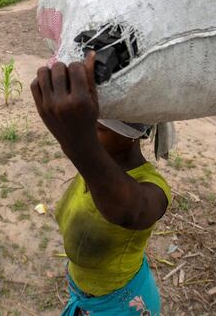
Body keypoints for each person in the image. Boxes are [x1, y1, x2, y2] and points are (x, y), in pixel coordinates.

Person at [31, 52, 172, 316]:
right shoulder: (96, 165)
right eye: (87, 127)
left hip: (120, 306)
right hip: (86, 297)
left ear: (132, 134)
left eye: (98, 128)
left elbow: (129, 210)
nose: (88, 134)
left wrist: (77, 141)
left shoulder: (152, 189)